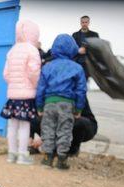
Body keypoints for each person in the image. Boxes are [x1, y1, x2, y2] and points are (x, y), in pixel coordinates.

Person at [36, 34, 87, 170]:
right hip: (67, 103)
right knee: (64, 130)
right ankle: (61, 160)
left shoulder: (47, 67)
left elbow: (41, 88)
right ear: (73, 49)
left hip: (49, 102)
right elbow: (81, 90)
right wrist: (78, 109)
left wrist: (39, 106)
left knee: (48, 129)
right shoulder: (77, 68)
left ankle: (47, 158)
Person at [0, 20, 41, 165]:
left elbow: (6, 74)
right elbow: (34, 72)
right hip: (27, 95)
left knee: (12, 126)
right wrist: (35, 86)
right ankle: (22, 155)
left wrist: (14, 84)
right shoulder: (32, 50)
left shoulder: (12, 50)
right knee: (25, 126)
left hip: (13, 95)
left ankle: (11, 154)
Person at [30, 96, 98, 157]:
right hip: (55, 124)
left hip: (82, 125)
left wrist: (44, 138)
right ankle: (31, 145)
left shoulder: (74, 91)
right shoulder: (45, 89)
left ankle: (72, 150)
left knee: (77, 123)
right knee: (28, 115)